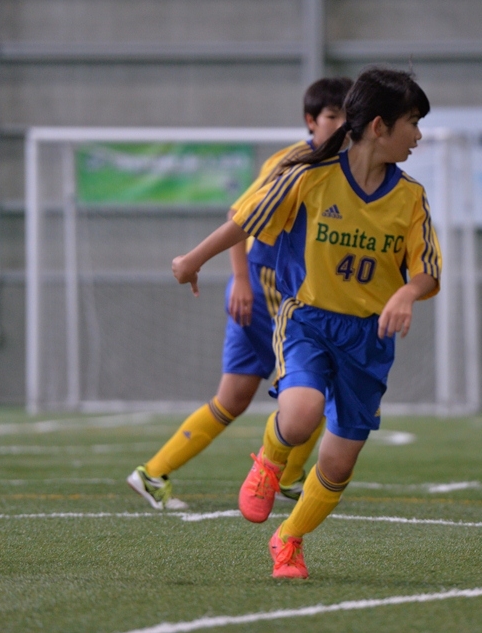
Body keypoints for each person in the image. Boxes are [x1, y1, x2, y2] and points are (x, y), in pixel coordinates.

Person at [171, 67, 440, 578]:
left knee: (338, 463)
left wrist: (407, 292)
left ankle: (288, 540)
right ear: (379, 126)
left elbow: (427, 268)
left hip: (369, 339)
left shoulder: (410, 197)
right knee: (298, 416)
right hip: (308, 320)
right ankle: (268, 463)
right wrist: (192, 260)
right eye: (413, 122)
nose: (419, 135)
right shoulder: (308, 176)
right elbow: (245, 220)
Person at [127, 77, 353, 510]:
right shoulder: (294, 161)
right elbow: (239, 214)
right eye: (332, 115)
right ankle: (286, 476)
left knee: (233, 398)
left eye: (348, 116)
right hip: (266, 288)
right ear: (311, 121)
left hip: (272, 287)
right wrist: (242, 282)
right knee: (319, 382)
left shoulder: (340, 165)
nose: (342, 123)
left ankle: (152, 473)